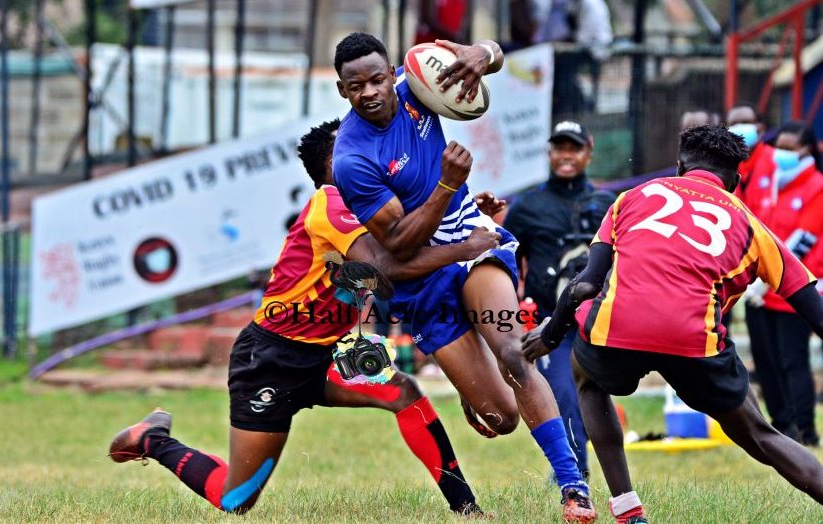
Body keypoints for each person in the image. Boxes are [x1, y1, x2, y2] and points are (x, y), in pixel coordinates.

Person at [107, 119, 506, 516]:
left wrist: (462, 220)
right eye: (356, 143)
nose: (370, 150)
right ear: (333, 162)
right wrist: (462, 248)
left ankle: (467, 509)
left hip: (328, 354)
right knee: (236, 499)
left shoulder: (372, 204)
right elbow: (385, 268)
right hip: (271, 360)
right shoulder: (331, 203)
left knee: (403, 392)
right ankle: (152, 440)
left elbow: (412, 240)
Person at [331, 32, 597, 522]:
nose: (368, 92)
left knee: (515, 353)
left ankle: (573, 486)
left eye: (375, 79)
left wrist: (483, 54)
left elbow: (485, 59)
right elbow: (400, 245)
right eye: (354, 86)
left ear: (392, 74)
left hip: (472, 239)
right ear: (342, 91)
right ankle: (473, 383)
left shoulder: (416, 86)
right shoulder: (352, 160)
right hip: (423, 273)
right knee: (503, 417)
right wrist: (448, 184)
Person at [521, 124, 823, 523]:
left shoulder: (631, 198)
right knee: (762, 435)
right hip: (694, 339)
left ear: (679, 166)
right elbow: (811, 307)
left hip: (618, 329)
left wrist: (551, 332)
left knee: (586, 377)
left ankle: (628, 510)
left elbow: (586, 284)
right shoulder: (752, 225)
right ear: (734, 181)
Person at [502, 120, 616, 478]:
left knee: (594, 394)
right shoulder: (528, 206)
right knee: (564, 394)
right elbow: (507, 259)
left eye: (575, 148)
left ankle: (599, 470)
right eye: (560, 148)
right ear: (549, 153)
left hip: (600, 318)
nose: (567, 156)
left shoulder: (607, 204)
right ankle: (574, 473)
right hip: (551, 322)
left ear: (588, 151)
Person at [738, 121, 823, 446]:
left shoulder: (816, 186)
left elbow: (803, 240)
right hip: (762, 291)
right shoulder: (772, 183)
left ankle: (805, 429)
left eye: (791, 149)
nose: (783, 155)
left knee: (792, 360)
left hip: (795, 290)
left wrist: (770, 278)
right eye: (780, 148)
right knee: (767, 361)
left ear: (807, 150)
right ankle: (781, 425)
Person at [726, 102, 770, 194]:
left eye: (745, 122)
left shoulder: (775, 161)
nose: (739, 127)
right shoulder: (724, 164)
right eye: (733, 124)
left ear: (761, 128)